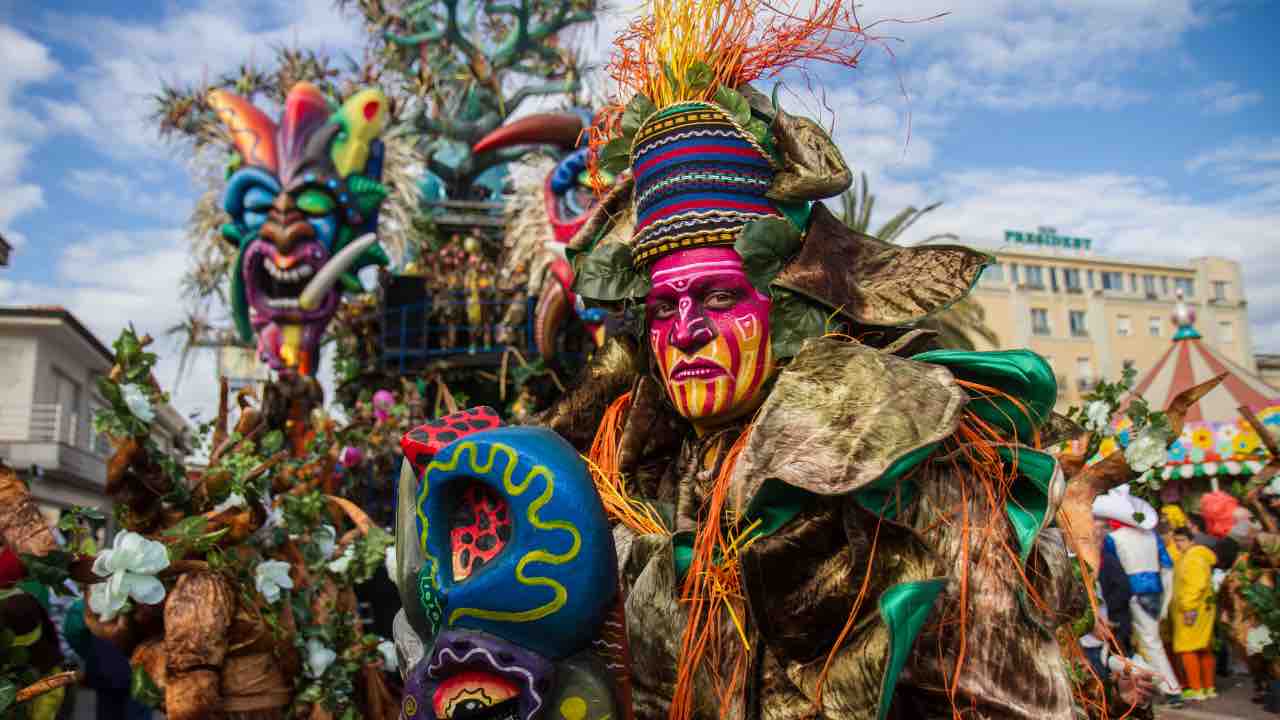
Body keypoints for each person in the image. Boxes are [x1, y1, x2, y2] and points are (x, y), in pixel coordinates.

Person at [1093, 485, 1183, 705]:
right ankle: (1154, 683)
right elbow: (1167, 566)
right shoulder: (1152, 536)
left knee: (1145, 642)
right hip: (1154, 592)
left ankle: (1170, 688)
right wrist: (1165, 598)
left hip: (1129, 595)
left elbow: (1108, 572)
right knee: (1146, 641)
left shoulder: (1114, 538)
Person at [1170, 527, 1218, 701]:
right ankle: (1208, 687)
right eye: (1176, 540)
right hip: (1201, 608)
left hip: (1192, 609)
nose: (1178, 544)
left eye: (1182, 540)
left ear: (1192, 541)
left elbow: (1196, 585)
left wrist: (1188, 607)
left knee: (1188, 648)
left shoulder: (1193, 558)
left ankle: (1197, 689)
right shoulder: (1194, 556)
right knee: (1202, 647)